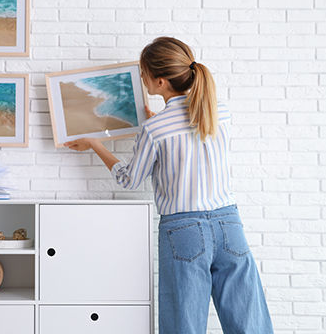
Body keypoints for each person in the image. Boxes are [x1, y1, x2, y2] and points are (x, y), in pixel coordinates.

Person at [65, 37, 274, 334]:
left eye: (143, 73)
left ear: (160, 82)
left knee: (183, 324)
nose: (142, 79)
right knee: (249, 321)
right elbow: (188, 136)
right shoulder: (220, 112)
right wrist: (158, 121)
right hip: (230, 224)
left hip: (183, 230)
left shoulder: (155, 129)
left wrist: (95, 144)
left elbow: (129, 180)